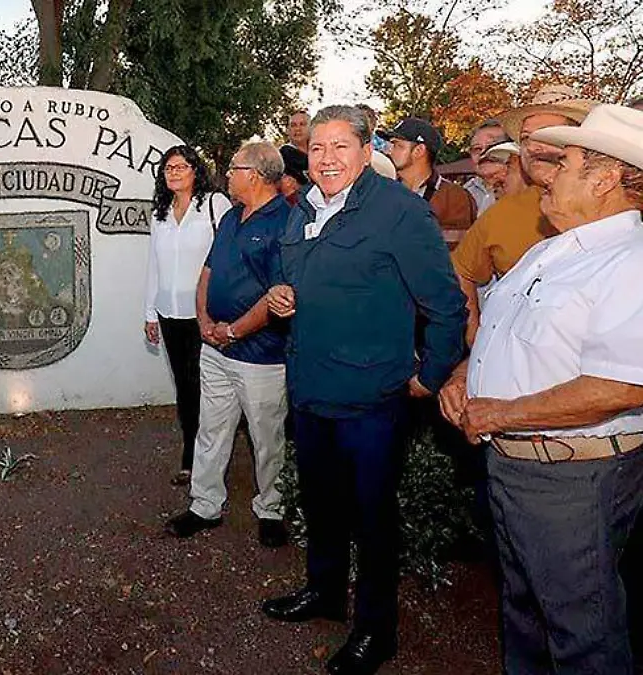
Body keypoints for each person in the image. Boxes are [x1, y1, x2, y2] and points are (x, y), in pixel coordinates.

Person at [260, 105, 466, 675]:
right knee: (321, 505)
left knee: (373, 518)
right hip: (310, 391)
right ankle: (324, 592)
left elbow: (447, 305)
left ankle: (377, 630)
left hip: (371, 400)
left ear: (365, 149)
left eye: (339, 147)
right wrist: (280, 294)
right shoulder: (304, 207)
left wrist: (431, 376)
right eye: (317, 147)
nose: (326, 158)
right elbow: (290, 275)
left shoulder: (398, 211)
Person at [439, 104, 643, 674]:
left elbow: (624, 386)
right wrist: (464, 376)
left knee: (582, 637)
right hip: (519, 467)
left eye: (565, 163)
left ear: (605, 179)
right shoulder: (553, 248)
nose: (547, 174)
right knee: (525, 616)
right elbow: (505, 335)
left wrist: (498, 413)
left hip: (573, 481)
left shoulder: (630, 263)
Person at [163, 141, 290, 548]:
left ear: (256, 175)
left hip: (261, 356)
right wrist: (203, 319)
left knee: (266, 437)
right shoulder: (233, 216)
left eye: (234, 168)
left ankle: (272, 509)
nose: (228, 175)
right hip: (216, 349)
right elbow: (208, 271)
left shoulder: (285, 221)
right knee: (211, 429)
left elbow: (278, 295)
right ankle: (204, 505)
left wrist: (233, 330)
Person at [451, 84, 595, 347]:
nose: (533, 146)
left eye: (548, 133)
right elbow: (462, 270)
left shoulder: (620, 204)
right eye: (526, 137)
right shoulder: (504, 212)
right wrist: (475, 338)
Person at [143, 146, 232, 485]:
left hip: (205, 314)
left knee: (210, 388)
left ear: (196, 170)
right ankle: (191, 456)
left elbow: (229, 258)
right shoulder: (160, 212)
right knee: (185, 387)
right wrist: (150, 313)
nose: (174, 173)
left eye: (181, 166)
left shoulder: (214, 205)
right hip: (169, 313)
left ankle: (212, 460)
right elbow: (154, 264)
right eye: (168, 168)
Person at [381, 117, 477, 249]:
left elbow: (459, 252)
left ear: (419, 151)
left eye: (397, 145)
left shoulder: (456, 198)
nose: (389, 151)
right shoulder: (382, 192)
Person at [463, 120, 511, 215]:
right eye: (477, 149)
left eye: (492, 146)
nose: (483, 153)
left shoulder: (527, 190)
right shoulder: (464, 193)